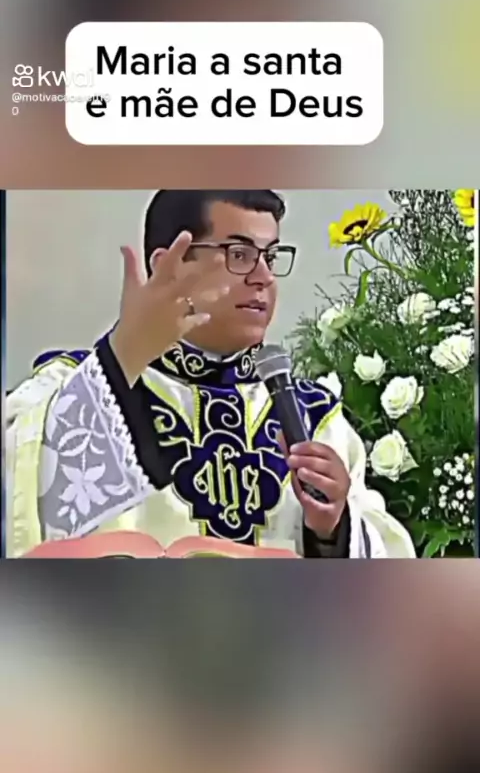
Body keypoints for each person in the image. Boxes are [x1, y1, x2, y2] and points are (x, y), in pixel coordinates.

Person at [6, 190, 415, 558]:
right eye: (239, 254)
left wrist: (333, 530)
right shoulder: (76, 387)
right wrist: (125, 354)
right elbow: (23, 492)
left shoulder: (314, 417)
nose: (264, 277)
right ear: (169, 266)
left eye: (270, 256)